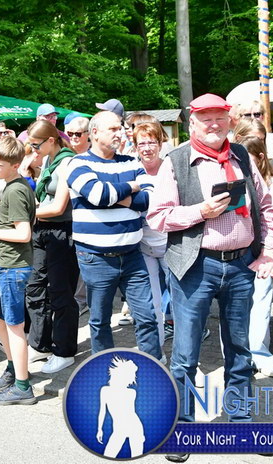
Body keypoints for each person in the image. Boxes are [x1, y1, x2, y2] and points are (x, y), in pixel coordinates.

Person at [147, 93, 273, 462]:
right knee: (186, 352)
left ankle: (240, 420)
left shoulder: (242, 156)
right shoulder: (176, 161)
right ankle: (182, 426)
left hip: (240, 266)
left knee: (240, 349)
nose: (213, 124)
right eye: (205, 118)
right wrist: (200, 211)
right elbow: (158, 217)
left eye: (219, 117)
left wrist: (269, 251)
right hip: (195, 266)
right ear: (192, 123)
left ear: (229, 120)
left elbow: (266, 207)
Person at [66, 111, 161, 360]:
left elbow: (150, 199)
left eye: (120, 128)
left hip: (132, 255)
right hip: (96, 258)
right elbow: (98, 195)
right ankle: (103, 368)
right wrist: (132, 187)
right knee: (100, 321)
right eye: (113, 129)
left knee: (147, 317)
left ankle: (153, 367)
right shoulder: (77, 163)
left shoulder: (131, 162)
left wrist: (113, 195)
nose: (120, 133)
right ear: (95, 132)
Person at [0, 136, 37, 405]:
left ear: (15, 165)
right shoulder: (15, 185)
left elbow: (24, 234)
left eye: (0, 164)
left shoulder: (15, 190)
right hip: (6, 264)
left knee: (15, 327)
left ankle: (23, 387)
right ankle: (14, 369)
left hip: (13, 266)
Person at [25, 120, 79, 374]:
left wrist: (25, 213)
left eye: (36, 145)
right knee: (35, 287)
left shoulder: (68, 161)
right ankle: (40, 344)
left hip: (62, 231)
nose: (33, 150)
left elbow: (58, 207)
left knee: (61, 291)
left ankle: (64, 351)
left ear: (50, 140)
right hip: (42, 229)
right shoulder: (48, 159)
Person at [234, 135, 273, 377]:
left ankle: (259, 352)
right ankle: (237, 356)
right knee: (235, 307)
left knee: (261, 302)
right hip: (237, 252)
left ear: (260, 158)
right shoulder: (232, 180)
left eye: (248, 158)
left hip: (263, 251)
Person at [132, 120, 170, 347]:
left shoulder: (171, 169)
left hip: (171, 245)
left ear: (160, 144)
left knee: (181, 300)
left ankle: (187, 349)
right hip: (143, 246)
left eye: (151, 143)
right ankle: (157, 350)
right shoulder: (132, 171)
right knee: (151, 303)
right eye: (141, 144)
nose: (147, 148)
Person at [96, 356, 144, 458]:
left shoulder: (131, 392)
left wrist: (100, 429)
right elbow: (102, 411)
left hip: (133, 427)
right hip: (120, 429)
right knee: (109, 455)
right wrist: (99, 429)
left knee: (136, 456)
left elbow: (130, 413)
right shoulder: (105, 390)